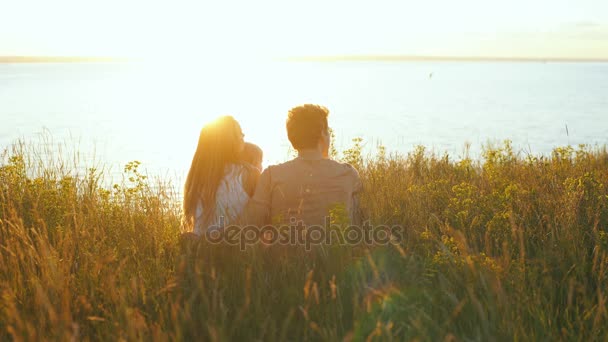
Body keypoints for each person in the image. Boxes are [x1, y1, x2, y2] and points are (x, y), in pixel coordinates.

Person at [245, 104, 362, 228]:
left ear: (291, 137)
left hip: (285, 246)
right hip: (337, 246)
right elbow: (358, 222)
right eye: (327, 132)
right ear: (322, 133)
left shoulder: (271, 175)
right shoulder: (348, 174)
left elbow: (251, 223)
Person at [182, 116, 261, 236]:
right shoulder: (249, 173)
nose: (243, 137)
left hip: (200, 249)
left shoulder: (196, 177)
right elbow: (261, 216)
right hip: (234, 248)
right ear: (231, 140)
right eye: (240, 133)